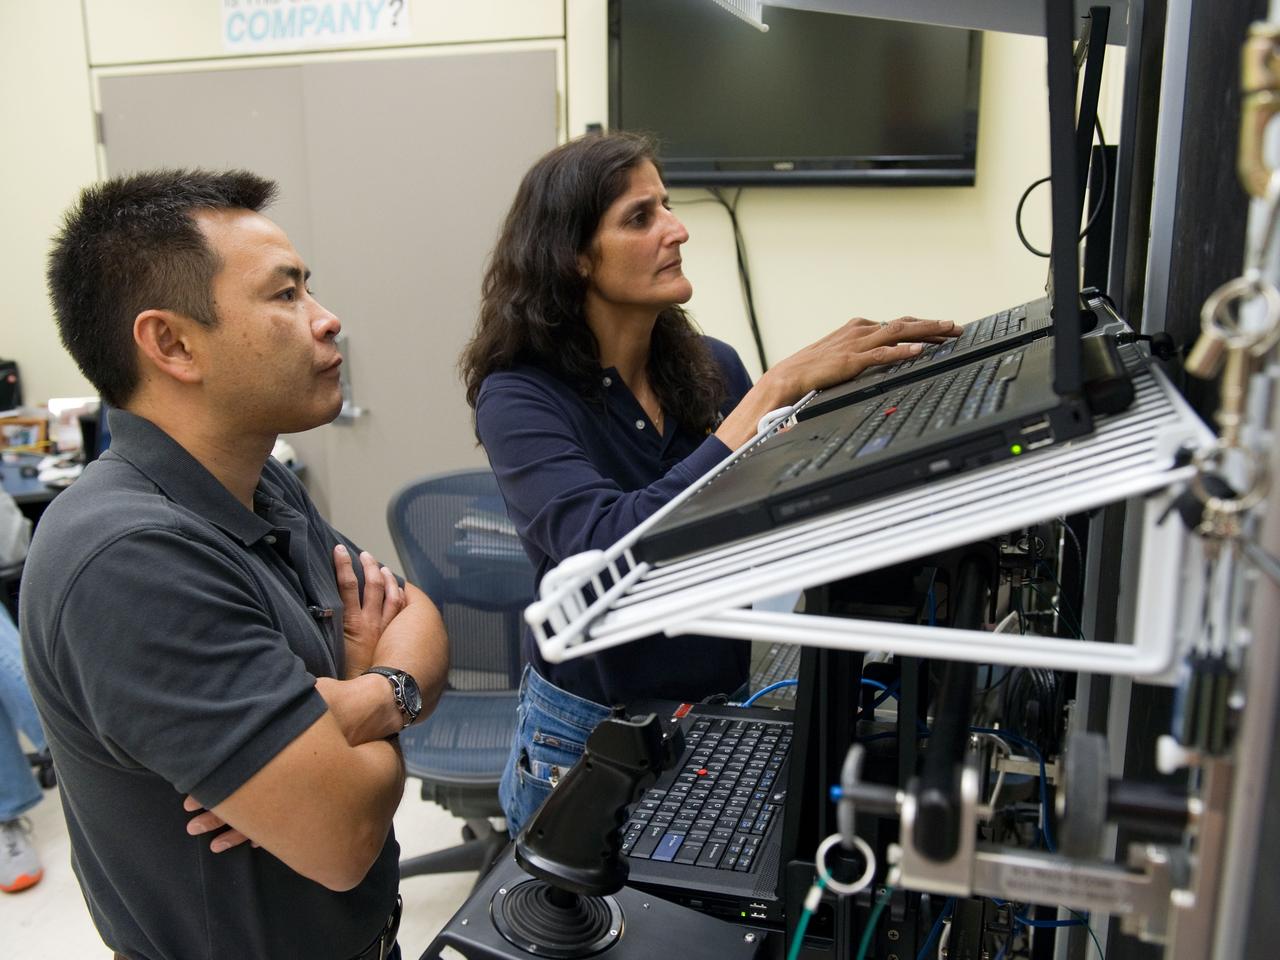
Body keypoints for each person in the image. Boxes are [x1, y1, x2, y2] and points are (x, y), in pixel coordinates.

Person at [459, 131, 959, 835]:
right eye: (641, 217)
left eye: (666, 204)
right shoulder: (520, 397)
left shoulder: (712, 366)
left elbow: (768, 514)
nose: (677, 228)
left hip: (717, 704)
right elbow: (604, 548)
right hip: (587, 741)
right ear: (572, 257)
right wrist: (774, 393)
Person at [23, 170, 449, 959]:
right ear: (173, 344)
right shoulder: (129, 560)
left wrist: (365, 699)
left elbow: (415, 614)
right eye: (286, 296)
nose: (327, 321)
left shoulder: (259, 482)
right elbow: (344, 833)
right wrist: (392, 705)